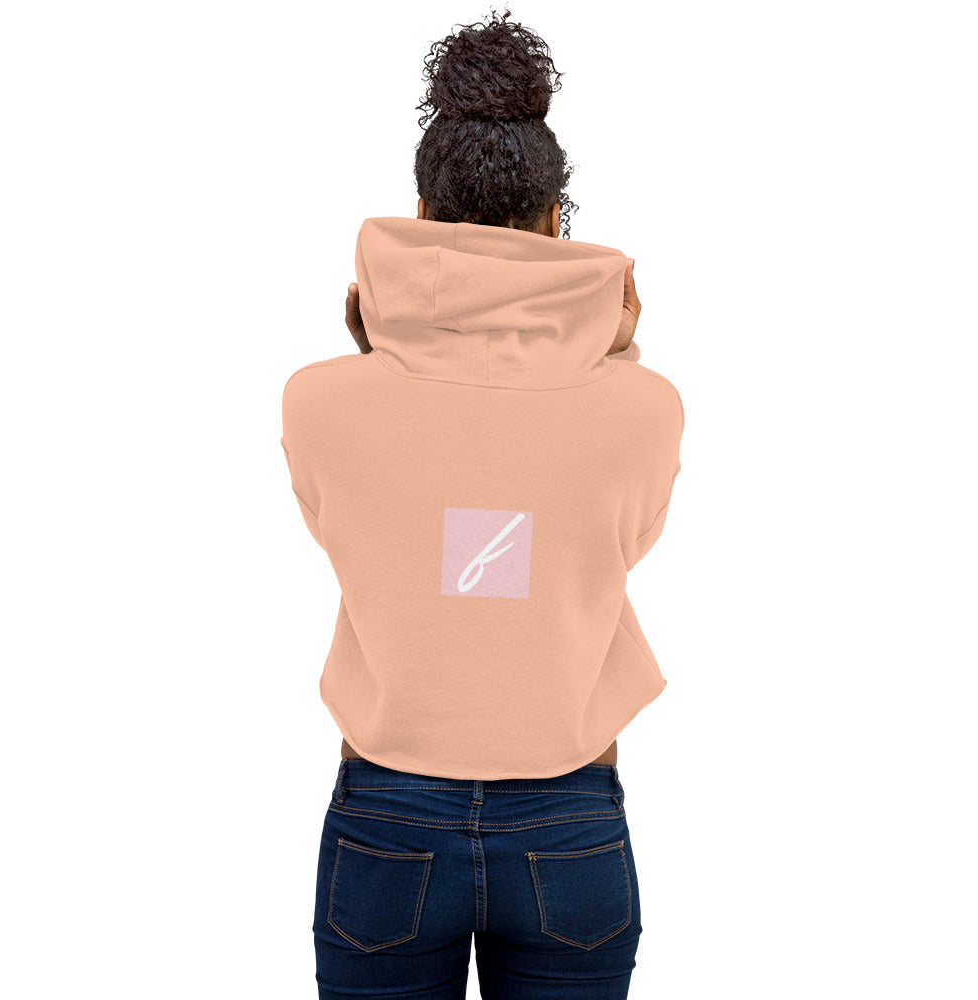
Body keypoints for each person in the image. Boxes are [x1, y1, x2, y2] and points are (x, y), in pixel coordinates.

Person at [279, 9, 684, 998]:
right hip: (568, 817)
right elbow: (613, 544)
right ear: (554, 224)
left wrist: (380, 351)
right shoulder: (646, 408)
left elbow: (353, 530)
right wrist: (617, 353)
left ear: (420, 216)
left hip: (387, 817)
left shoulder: (316, 400)